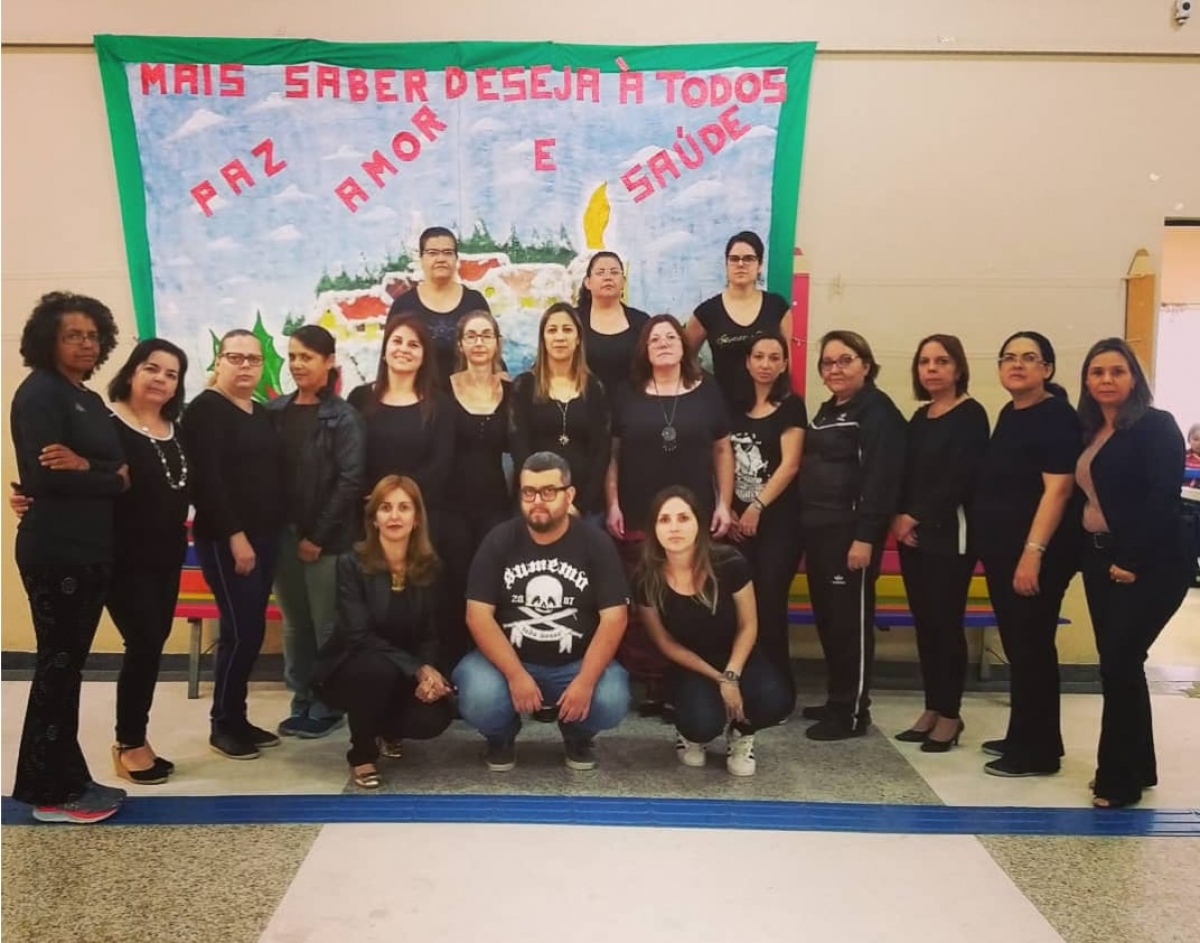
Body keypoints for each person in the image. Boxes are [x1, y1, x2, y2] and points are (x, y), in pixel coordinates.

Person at [12, 337, 194, 787]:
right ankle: (128, 743)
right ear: (132, 370)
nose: (161, 379)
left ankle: (134, 737)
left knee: (150, 643)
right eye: (152, 368)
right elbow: (61, 474)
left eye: (171, 374)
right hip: (116, 553)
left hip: (166, 553)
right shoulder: (105, 421)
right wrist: (32, 497)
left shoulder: (177, 428)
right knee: (142, 640)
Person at [9, 291, 130, 822]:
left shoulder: (83, 395)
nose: (86, 344)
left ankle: (68, 777)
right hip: (57, 551)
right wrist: (101, 475)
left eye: (92, 335)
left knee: (66, 670)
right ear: (48, 340)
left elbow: (120, 467)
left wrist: (90, 468)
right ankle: (49, 793)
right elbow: (47, 478)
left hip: (87, 549)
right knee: (58, 670)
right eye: (72, 335)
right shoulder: (40, 394)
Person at [454, 452, 631, 771]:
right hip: (508, 661)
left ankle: (578, 734)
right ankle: (500, 736)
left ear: (569, 495)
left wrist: (586, 681)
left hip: (575, 662)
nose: (537, 501)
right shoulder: (499, 540)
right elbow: (477, 614)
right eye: (529, 492)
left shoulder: (596, 544)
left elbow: (614, 617)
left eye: (548, 492)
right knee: (479, 696)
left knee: (612, 697)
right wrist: (515, 674)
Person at [1074, 338, 1192, 808]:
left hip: (1151, 564)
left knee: (1119, 663)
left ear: (1134, 378)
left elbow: (1161, 498)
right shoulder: (1090, 430)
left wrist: (1131, 560)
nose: (1106, 379)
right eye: (1097, 371)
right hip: (1100, 558)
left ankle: (1118, 781)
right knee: (1121, 663)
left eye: (1117, 371)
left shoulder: (1156, 425)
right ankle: (1138, 766)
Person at [607, 314, 733, 715]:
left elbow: (722, 449)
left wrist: (725, 502)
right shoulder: (626, 393)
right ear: (644, 350)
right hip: (638, 514)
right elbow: (613, 456)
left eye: (671, 338)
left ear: (684, 346)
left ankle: (690, 680)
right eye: (654, 339)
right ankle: (651, 683)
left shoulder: (707, 389)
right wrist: (612, 502)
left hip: (693, 518)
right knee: (644, 600)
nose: (663, 343)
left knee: (688, 599)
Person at [970, 331, 1081, 777]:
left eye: (1029, 358)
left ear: (1047, 369)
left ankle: (1038, 753)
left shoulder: (1057, 416)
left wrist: (1032, 553)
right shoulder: (1011, 412)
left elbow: (1058, 490)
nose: (1017, 364)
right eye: (1009, 357)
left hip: (1037, 554)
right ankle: (1026, 736)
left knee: (1032, 648)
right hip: (1004, 552)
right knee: (1021, 646)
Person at [182, 329, 286, 760]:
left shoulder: (258, 412)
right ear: (218, 361)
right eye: (235, 357)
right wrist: (236, 536)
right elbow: (206, 482)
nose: (245, 366)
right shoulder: (205, 411)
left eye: (253, 359)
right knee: (240, 631)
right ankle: (222, 724)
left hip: (264, 537)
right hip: (228, 540)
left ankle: (238, 717)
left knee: (250, 630)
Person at [636, 487, 792, 776]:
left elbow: (748, 625)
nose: (674, 527)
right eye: (664, 520)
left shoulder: (730, 562)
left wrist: (731, 674)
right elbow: (665, 642)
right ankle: (691, 736)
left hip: (738, 656)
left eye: (683, 518)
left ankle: (742, 731)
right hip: (691, 665)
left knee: (775, 702)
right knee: (701, 723)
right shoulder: (646, 579)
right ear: (653, 529)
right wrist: (720, 680)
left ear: (699, 523)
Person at [797, 330, 906, 741]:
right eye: (828, 362)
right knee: (829, 621)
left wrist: (865, 537)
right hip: (819, 533)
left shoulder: (877, 412)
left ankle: (853, 713)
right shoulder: (828, 410)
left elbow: (880, 479)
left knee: (850, 625)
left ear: (866, 364)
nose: (835, 369)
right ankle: (837, 698)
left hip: (850, 537)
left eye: (845, 360)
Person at [312, 476, 456, 789]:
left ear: (416, 519)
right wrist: (416, 668)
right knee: (376, 669)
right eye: (385, 508)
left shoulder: (432, 567)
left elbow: (432, 633)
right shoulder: (351, 563)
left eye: (404, 508)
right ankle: (362, 754)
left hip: (404, 671)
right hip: (353, 668)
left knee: (433, 718)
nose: (394, 516)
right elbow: (359, 637)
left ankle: (388, 730)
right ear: (374, 518)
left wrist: (429, 670)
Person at [892, 335, 990, 752]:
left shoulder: (971, 415)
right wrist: (900, 518)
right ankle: (933, 707)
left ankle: (950, 715)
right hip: (914, 538)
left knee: (946, 626)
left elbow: (959, 478)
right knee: (926, 625)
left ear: (958, 368)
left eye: (942, 361)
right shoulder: (920, 417)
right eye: (925, 362)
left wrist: (914, 516)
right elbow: (905, 472)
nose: (931, 369)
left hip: (952, 536)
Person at [267, 325, 365, 739]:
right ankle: (302, 697)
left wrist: (317, 537)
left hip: (328, 541)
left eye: (306, 357)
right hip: (283, 538)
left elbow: (351, 480)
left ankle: (329, 701)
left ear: (328, 361)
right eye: (292, 356)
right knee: (295, 624)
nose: (297, 364)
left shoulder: (344, 417)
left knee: (327, 625)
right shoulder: (275, 411)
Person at [728, 333, 807, 708]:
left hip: (779, 524)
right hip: (736, 526)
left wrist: (756, 507)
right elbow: (721, 458)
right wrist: (725, 506)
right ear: (747, 361)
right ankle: (744, 686)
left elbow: (790, 465)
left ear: (784, 364)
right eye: (758, 356)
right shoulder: (734, 406)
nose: (765, 364)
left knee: (770, 605)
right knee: (739, 607)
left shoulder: (791, 406)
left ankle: (779, 695)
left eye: (774, 357)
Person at [442, 310, 513, 667]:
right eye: (471, 335)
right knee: (455, 585)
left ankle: (493, 666)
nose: (479, 342)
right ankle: (454, 668)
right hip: (451, 506)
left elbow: (522, 449)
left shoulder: (513, 391)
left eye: (486, 335)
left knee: (493, 586)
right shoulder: (444, 389)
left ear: (497, 343)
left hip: (497, 505)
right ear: (460, 344)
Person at [348, 314, 454, 542]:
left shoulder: (441, 405)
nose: (404, 349)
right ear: (384, 350)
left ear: (424, 356)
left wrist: (398, 500)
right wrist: (378, 499)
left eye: (413, 344)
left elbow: (441, 463)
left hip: (421, 517)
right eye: (397, 341)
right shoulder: (359, 398)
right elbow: (349, 457)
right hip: (367, 514)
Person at [510, 303, 610, 523]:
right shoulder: (524, 386)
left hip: (584, 507)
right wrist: (544, 499)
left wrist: (578, 505)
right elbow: (519, 449)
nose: (559, 337)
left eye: (567, 329)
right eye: (552, 330)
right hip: (536, 504)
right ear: (543, 339)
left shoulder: (594, 388)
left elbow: (601, 452)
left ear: (578, 338)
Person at [686, 231, 792, 410]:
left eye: (749, 258)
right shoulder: (707, 312)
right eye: (734, 259)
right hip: (723, 408)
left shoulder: (777, 307)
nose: (741, 264)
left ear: (760, 264)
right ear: (726, 264)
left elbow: (788, 362)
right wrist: (705, 389)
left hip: (770, 407)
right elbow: (685, 359)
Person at [387, 226, 491, 385]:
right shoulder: (404, 305)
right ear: (421, 259)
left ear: (456, 258)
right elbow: (390, 358)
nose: (441, 259)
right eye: (433, 253)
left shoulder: (474, 302)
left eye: (448, 253)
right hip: (417, 394)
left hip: (469, 394)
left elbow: (491, 351)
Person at [576, 251, 649, 409]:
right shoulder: (573, 320)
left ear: (623, 282)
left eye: (614, 272)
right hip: (582, 407)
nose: (608, 277)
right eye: (600, 272)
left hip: (633, 408)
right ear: (588, 282)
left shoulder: (641, 321)